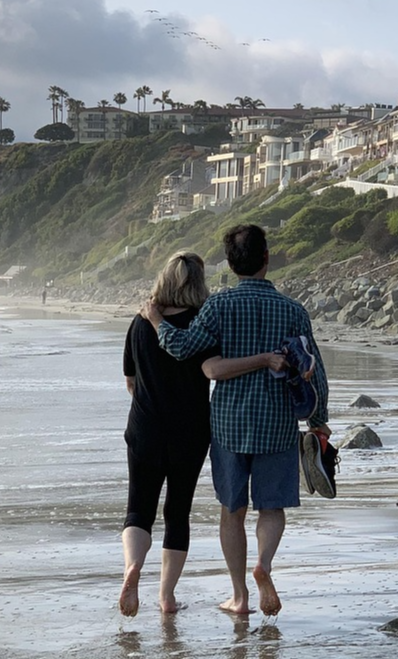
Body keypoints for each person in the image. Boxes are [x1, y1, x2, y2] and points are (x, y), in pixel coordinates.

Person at [141, 224, 330, 617]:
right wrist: (319, 420)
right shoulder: (294, 311)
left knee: (232, 510)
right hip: (278, 421)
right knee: (272, 506)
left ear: (230, 263)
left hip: (228, 422)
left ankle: (240, 595)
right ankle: (265, 563)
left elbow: (181, 347)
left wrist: (156, 319)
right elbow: (317, 371)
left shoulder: (219, 306)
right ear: (267, 258)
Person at [120, 251, 286, 617]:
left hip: (145, 428)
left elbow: (130, 381)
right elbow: (213, 368)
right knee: (177, 513)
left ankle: (132, 568)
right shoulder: (203, 323)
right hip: (191, 431)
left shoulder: (140, 323)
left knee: (138, 510)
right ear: (199, 283)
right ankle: (166, 597)